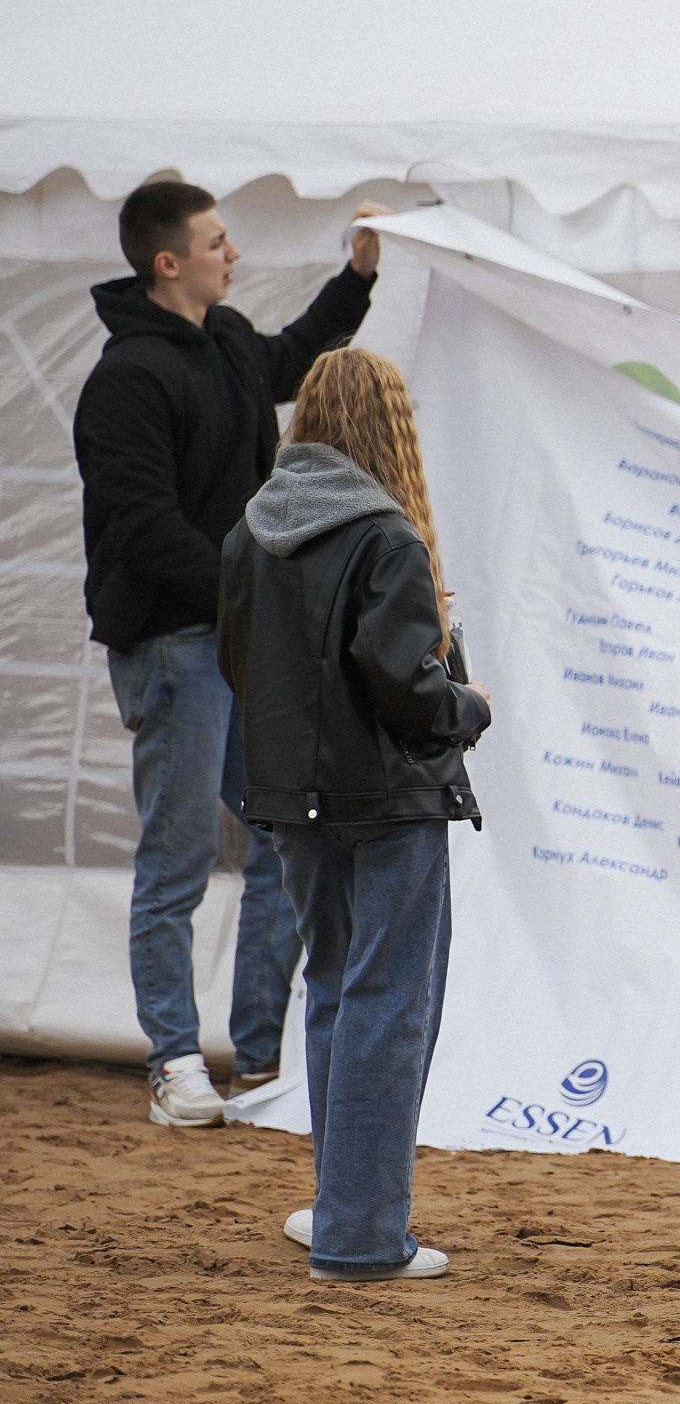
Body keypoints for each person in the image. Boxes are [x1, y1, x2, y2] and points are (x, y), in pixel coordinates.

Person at [74, 180, 393, 1127]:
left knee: (285, 831)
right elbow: (143, 531)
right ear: (168, 261)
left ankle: (260, 1053)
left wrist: (357, 277)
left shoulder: (224, 343)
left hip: (236, 644)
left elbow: (292, 359)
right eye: (218, 241)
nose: (234, 253)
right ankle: (176, 1060)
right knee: (175, 862)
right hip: (174, 648)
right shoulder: (128, 377)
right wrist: (256, 587)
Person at [217, 347, 491, 1282]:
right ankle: (362, 1237)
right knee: (389, 1005)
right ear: (387, 425)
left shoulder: (251, 532)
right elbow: (408, 693)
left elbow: (242, 665)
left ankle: (342, 1208)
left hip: (293, 803)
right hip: (387, 801)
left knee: (335, 995)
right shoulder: (387, 536)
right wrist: (468, 696)